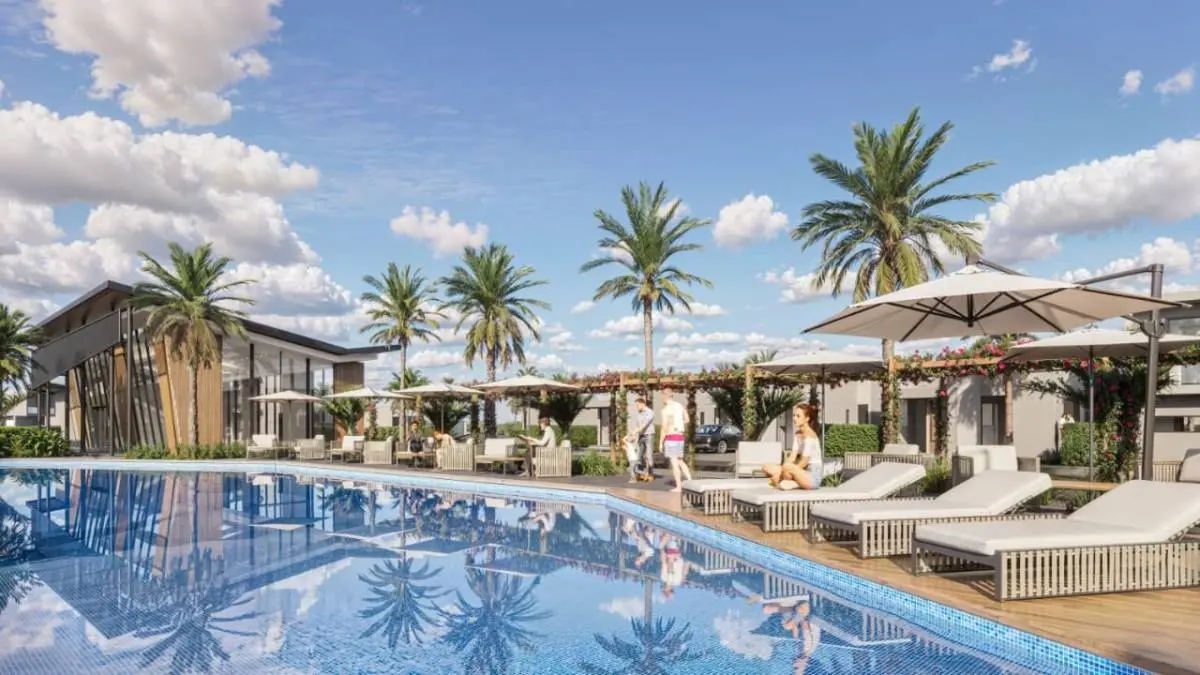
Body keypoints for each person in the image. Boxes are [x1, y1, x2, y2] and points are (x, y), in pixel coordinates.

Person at [763, 403, 821, 490]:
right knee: (766, 467)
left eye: (798, 416)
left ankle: (786, 482)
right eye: (794, 415)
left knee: (787, 468)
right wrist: (784, 469)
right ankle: (794, 483)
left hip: (812, 478)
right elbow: (792, 456)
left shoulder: (810, 437)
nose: (794, 418)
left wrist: (781, 474)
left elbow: (804, 462)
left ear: (807, 418)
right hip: (801, 471)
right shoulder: (797, 434)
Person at [660, 385, 693, 492]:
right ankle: (690, 480)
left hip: (671, 437)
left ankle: (679, 486)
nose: (661, 399)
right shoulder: (679, 406)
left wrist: (660, 442)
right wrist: (678, 424)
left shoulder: (665, 410)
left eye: (662, 396)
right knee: (680, 460)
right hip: (680, 436)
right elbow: (687, 419)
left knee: (674, 462)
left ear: (665, 396)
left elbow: (664, 428)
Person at [633, 397, 656, 481]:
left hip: (649, 435)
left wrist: (634, 432)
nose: (636, 407)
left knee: (649, 455)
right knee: (639, 455)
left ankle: (650, 474)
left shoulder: (650, 412)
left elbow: (644, 425)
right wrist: (633, 435)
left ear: (643, 404)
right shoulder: (639, 414)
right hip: (641, 436)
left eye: (637, 405)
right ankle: (640, 473)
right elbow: (637, 426)